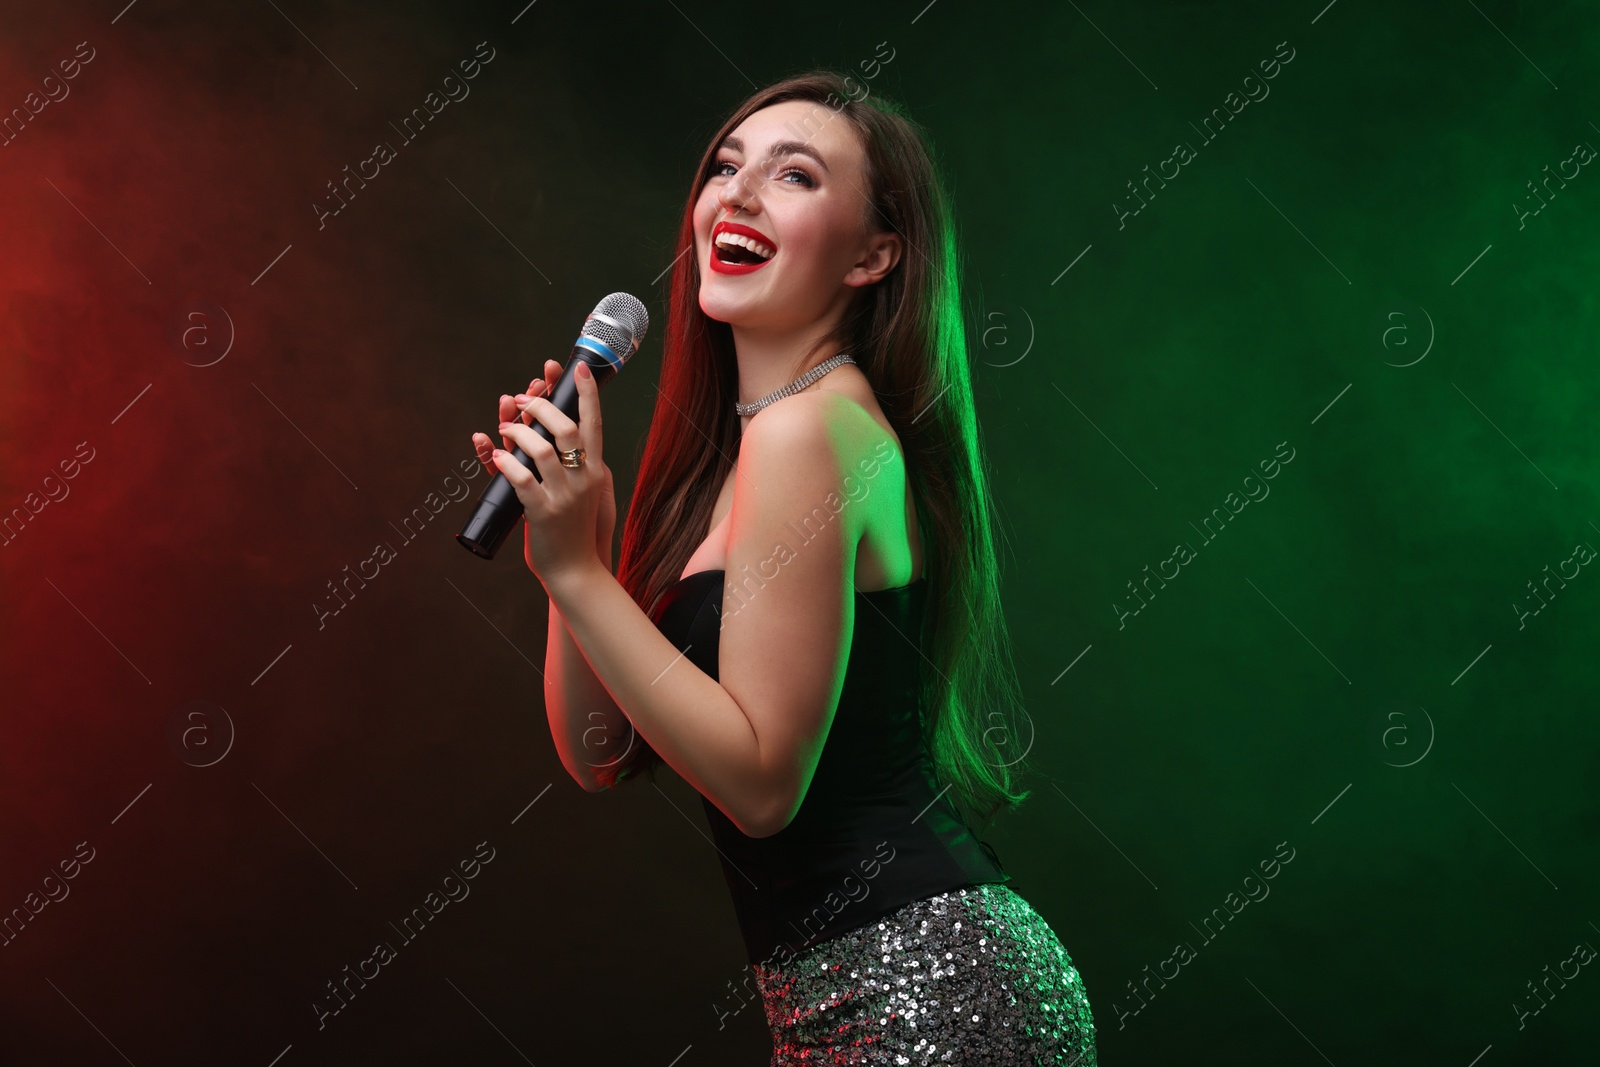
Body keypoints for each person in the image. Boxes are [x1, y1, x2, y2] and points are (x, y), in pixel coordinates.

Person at [471, 70, 1097, 1066]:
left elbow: (762, 786)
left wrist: (587, 576)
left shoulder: (813, 432)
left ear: (873, 254)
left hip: (925, 990)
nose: (739, 193)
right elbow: (597, 753)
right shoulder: (749, 452)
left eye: (793, 175)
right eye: (724, 166)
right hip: (838, 998)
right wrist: (573, 559)